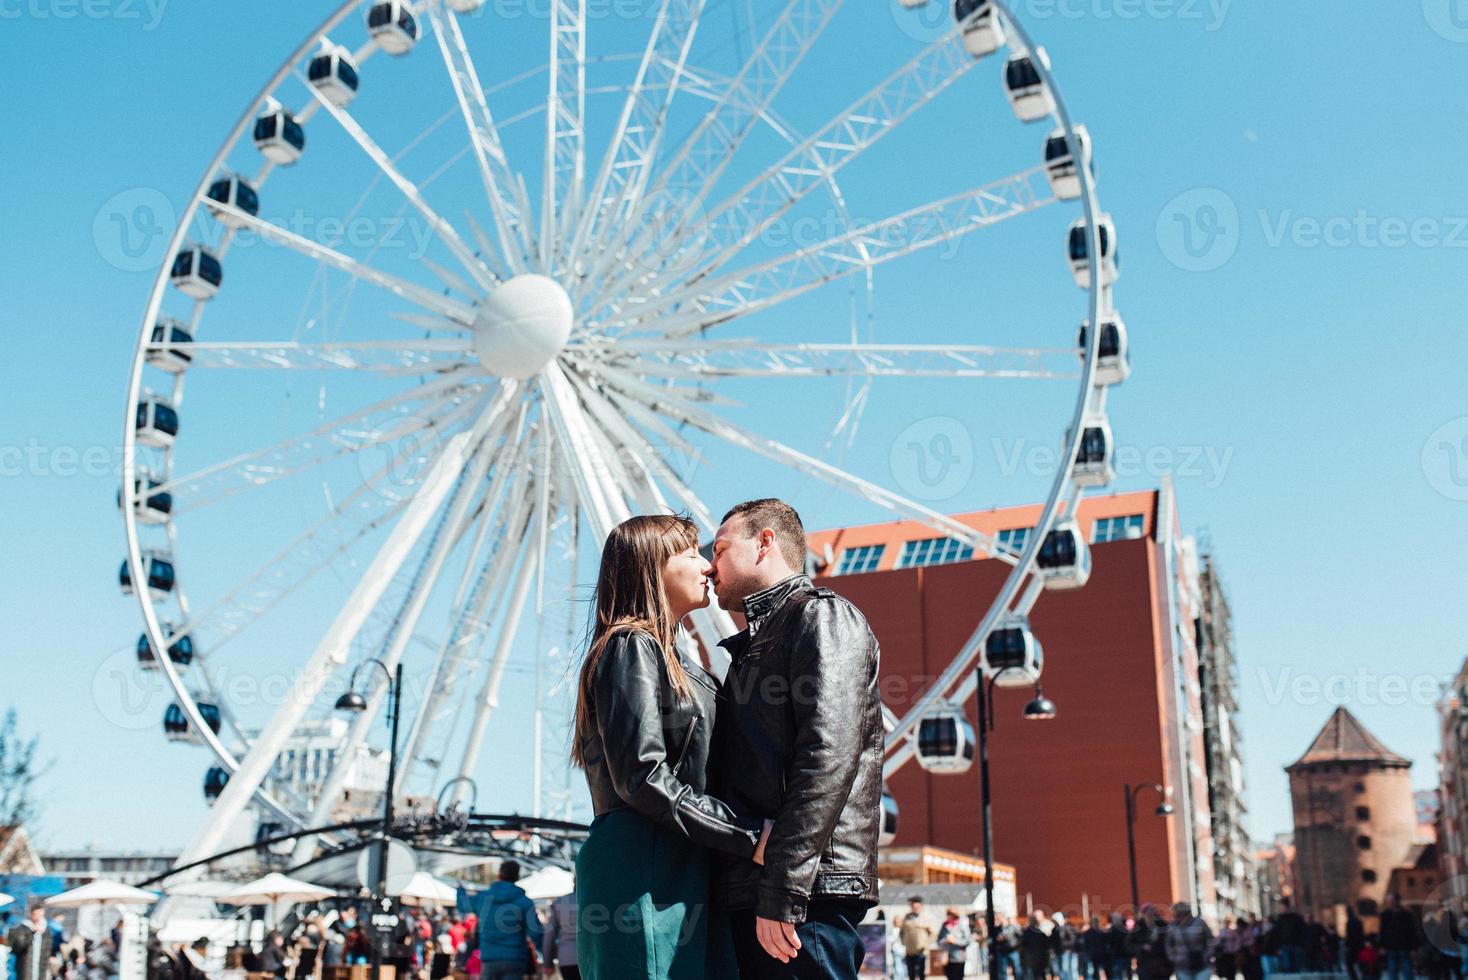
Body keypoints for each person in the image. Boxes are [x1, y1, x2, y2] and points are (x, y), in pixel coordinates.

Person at [572, 514, 774, 979]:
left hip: (682, 859)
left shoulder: (672, 658)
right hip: (647, 865)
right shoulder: (630, 645)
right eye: (690, 553)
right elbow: (642, 776)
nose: (706, 566)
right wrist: (747, 835)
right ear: (651, 567)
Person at [708, 499, 885, 980]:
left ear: (765, 542)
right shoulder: (756, 643)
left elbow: (827, 756)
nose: (710, 563)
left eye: (720, 548)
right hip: (771, 885)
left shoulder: (821, 618)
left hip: (808, 891)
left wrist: (784, 888)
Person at [477, 861, 543, 980]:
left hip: (489, 957)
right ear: (517, 876)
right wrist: (543, 953)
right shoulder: (525, 902)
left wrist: (459, 889)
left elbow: (463, 904)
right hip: (514, 958)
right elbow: (535, 931)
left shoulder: (483, 898)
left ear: (500, 874)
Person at [1164, 903, 1213, 980]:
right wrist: (1174, 958)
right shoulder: (1172, 927)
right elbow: (1168, 945)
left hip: (1202, 964)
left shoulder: (1199, 923)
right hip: (1182, 966)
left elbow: (1211, 940)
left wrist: (1207, 955)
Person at [7, 906, 54, 980]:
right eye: (37, 914)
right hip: (25, 967)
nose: (39, 917)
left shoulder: (46, 930)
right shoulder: (22, 928)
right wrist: (31, 932)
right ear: (32, 914)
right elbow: (17, 946)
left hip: (40, 967)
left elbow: (48, 949)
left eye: (41, 914)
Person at [542, 889, 579, 980]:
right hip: (592, 959)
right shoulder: (596, 900)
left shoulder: (560, 902)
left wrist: (547, 964)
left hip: (567, 959)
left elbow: (549, 937)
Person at [1379, 894, 1419, 980]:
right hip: (1391, 946)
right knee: (1392, 970)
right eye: (1388, 901)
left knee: (1407, 970)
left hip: (1404, 946)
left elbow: (1412, 931)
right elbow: (1382, 931)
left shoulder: (1407, 915)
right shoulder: (1385, 915)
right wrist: (1382, 946)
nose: (1389, 903)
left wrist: (1414, 947)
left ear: (1396, 901)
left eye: (1391, 901)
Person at [899, 899, 935, 980]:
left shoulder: (926, 917)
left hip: (921, 952)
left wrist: (926, 944)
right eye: (912, 906)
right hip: (909, 951)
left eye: (916, 907)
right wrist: (904, 942)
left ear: (921, 906)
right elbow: (901, 932)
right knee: (911, 974)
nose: (914, 908)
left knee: (921, 974)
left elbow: (933, 934)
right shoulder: (907, 917)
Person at [937, 908, 972, 980]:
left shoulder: (961, 925)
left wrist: (955, 941)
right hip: (947, 957)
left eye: (950, 915)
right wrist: (945, 940)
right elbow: (938, 941)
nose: (948, 916)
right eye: (948, 914)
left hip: (958, 957)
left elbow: (968, 940)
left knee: (958, 977)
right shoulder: (945, 925)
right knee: (950, 977)